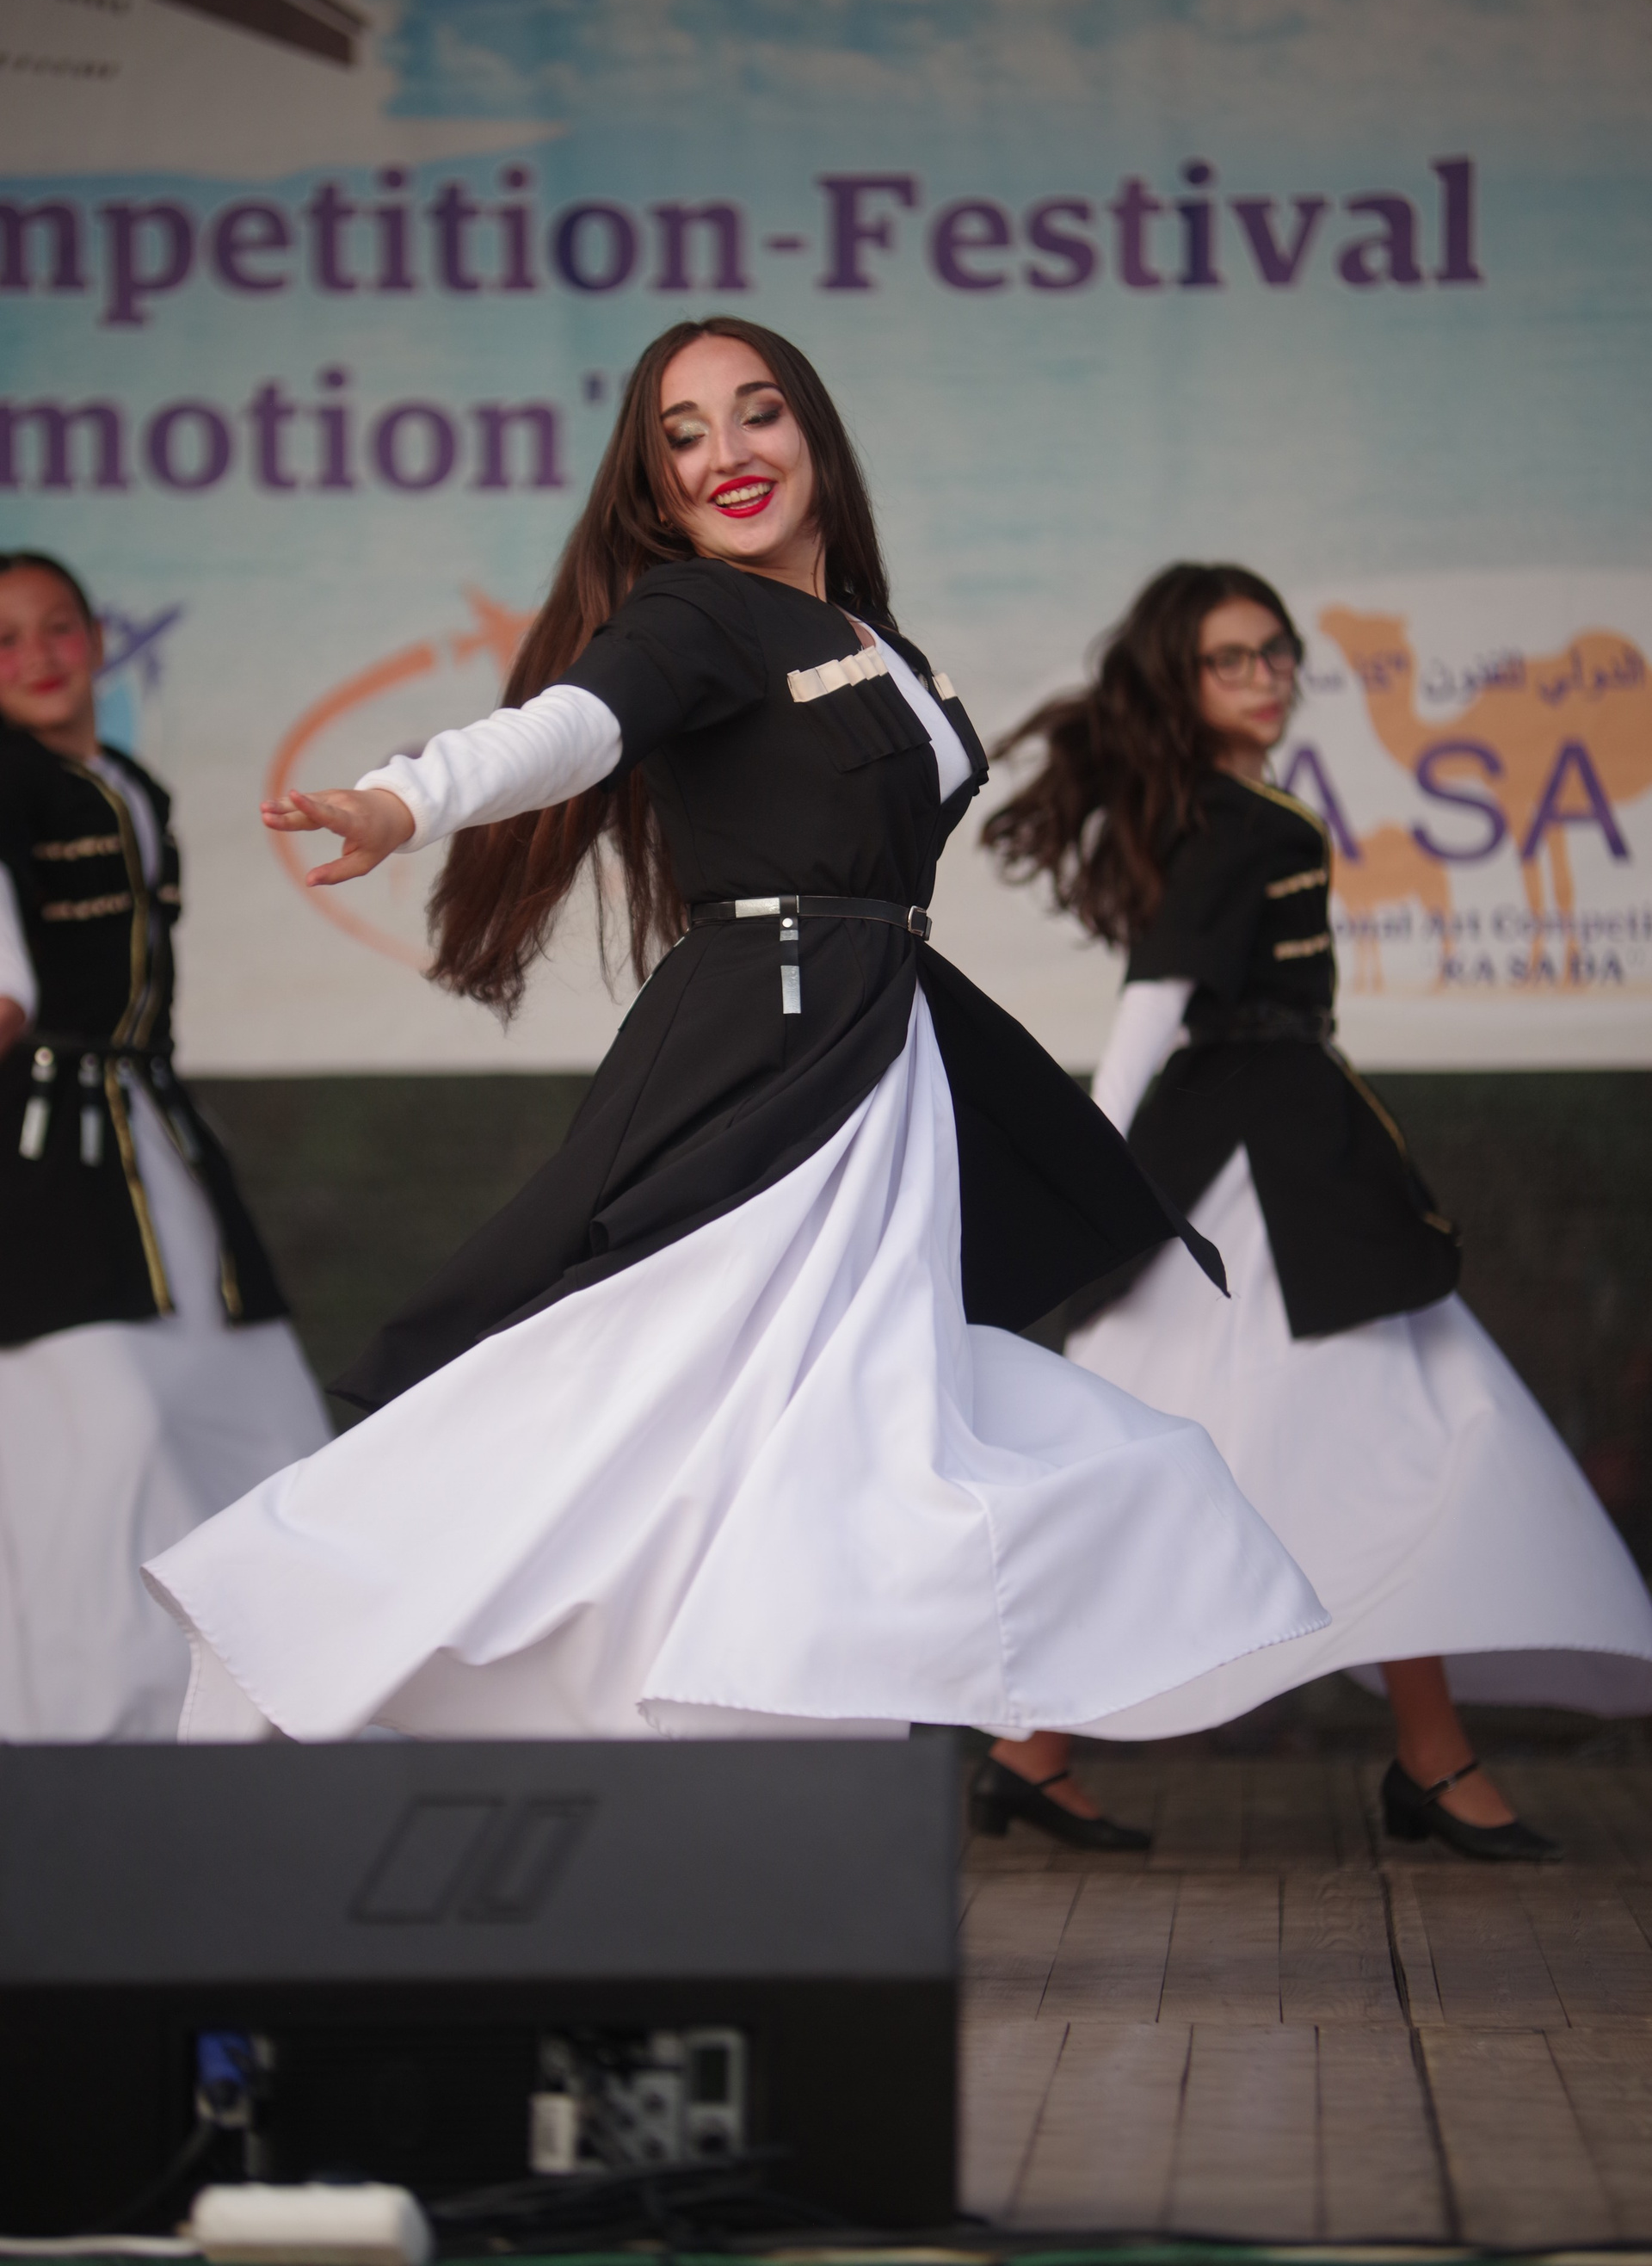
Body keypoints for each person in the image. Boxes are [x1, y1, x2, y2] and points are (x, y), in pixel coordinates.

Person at [144, 323, 1326, 1837]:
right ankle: (284, 1605)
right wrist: (405, 798)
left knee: (832, 1437)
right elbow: (572, 728)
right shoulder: (694, 614)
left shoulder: (872, 637)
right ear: (656, 489)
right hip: (769, 1059)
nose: (728, 456)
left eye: (757, 415)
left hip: (874, 1052)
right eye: (685, 437)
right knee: (623, 1395)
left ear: (814, 433)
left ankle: (779, 1802)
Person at [986, 559, 1652, 1861]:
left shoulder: (1231, 808)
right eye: (1232, 660)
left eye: (1277, 652)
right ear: (1183, 682)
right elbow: (1153, 1001)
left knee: (1340, 1443)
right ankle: (1421, 1759)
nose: (1267, 677)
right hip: (1258, 1183)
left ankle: (1041, 1753)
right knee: (1384, 1444)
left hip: (1277, 1161)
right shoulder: (1239, 822)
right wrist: (1090, 1167)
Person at [0, 551, 330, 1741]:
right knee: (103, 1431)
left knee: (261, 1409)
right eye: (5, 641)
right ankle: (95, 1730)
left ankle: (281, 1699)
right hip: (38, 1158)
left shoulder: (127, 784)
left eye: (57, 628)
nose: (38, 657)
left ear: (97, 639)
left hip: (151, 1141)